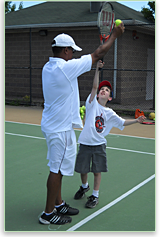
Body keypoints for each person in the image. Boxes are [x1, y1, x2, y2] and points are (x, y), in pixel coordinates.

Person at [39, 22, 125, 225]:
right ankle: (48, 214)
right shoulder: (64, 68)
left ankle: (59, 204)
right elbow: (97, 54)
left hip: (61, 126)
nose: (73, 55)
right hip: (58, 129)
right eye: (72, 51)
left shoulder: (48, 66)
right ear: (66, 51)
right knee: (56, 170)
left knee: (60, 168)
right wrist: (114, 35)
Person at [74, 60, 146, 208]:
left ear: (110, 97)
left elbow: (122, 122)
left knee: (97, 171)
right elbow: (94, 86)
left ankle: (95, 195)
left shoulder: (110, 113)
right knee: (83, 169)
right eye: (102, 89)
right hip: (85, 143)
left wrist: (136, 120)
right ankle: (84, 186)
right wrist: (97, 69)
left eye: (107, 90)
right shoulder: (91, 103)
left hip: (99, 145)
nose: (103, 90)